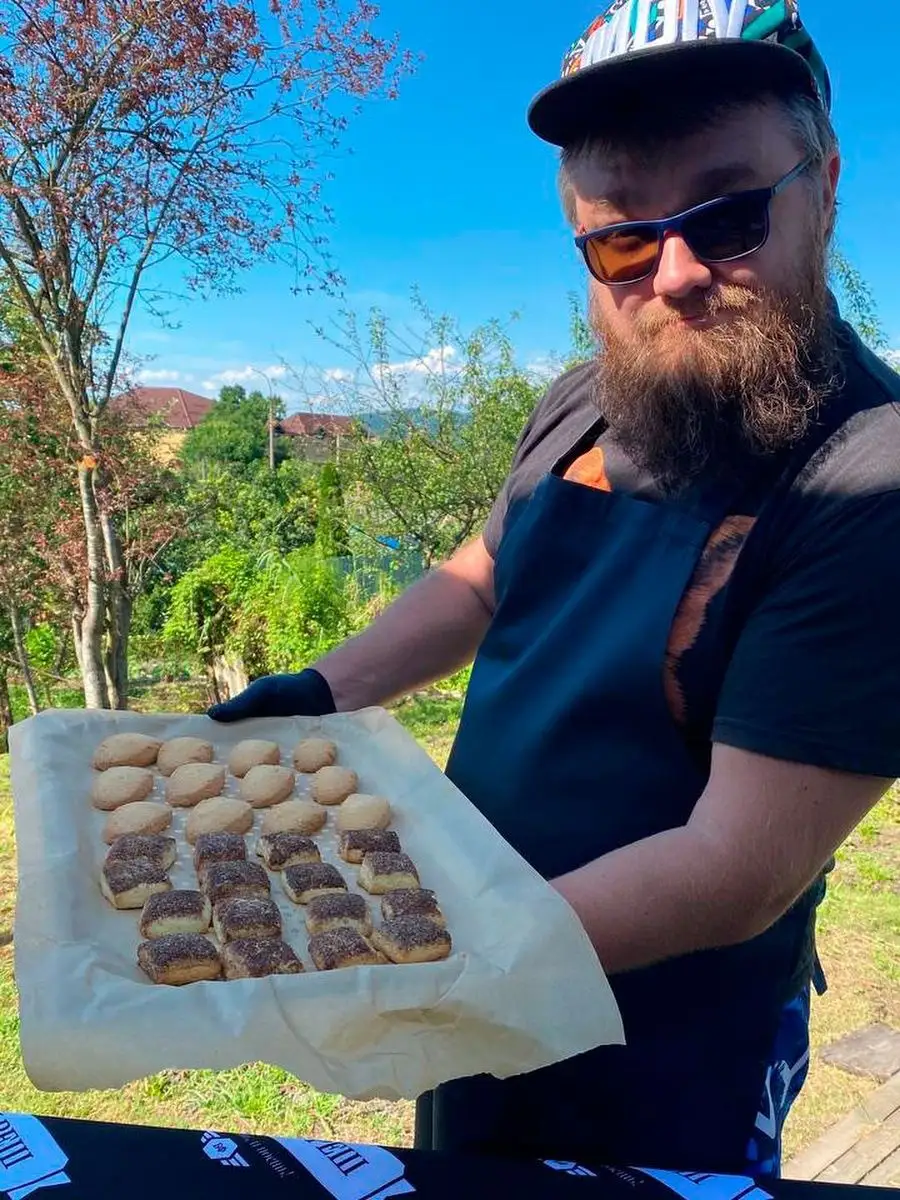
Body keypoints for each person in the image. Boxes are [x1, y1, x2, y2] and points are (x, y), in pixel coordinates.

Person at [210, 0, 900, 1179]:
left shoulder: (867, 480)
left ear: (824, 188)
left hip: (670, 1036)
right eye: (624, 241)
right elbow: (483, 578)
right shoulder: (587, 397)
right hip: (478, 985)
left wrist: (413, 953)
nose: (676, 275)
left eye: (727, 215)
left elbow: (735, 871)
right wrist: (322, 689)